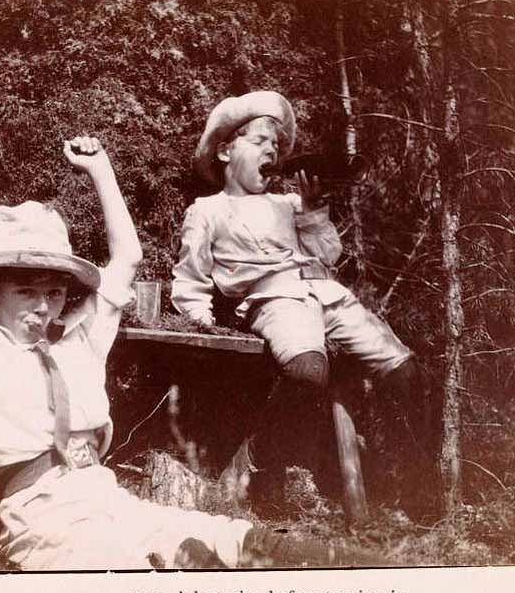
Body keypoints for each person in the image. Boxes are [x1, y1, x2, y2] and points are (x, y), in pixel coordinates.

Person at [0, 108, 377, 570]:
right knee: (137, 566)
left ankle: (352, 567)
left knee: (228, 539)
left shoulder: (77, 341)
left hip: (105, 493)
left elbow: (126, 258)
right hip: (42, 514)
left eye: (54, 292)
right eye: (25, 292)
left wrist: (101, 170)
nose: (43, 306)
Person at [171, 91, 443, 520]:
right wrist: (201, 322)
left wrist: (315, 211)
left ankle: (418, 491)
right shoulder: (208, 210)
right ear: (225, 150)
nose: (271, 152)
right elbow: (191, 278)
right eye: (260, 141)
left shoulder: (290, 204)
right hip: (276, 300)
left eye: (276, 147)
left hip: (329, 295)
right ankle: (264, 467)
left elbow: (328, 254)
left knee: (408, 373)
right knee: (307, 373)